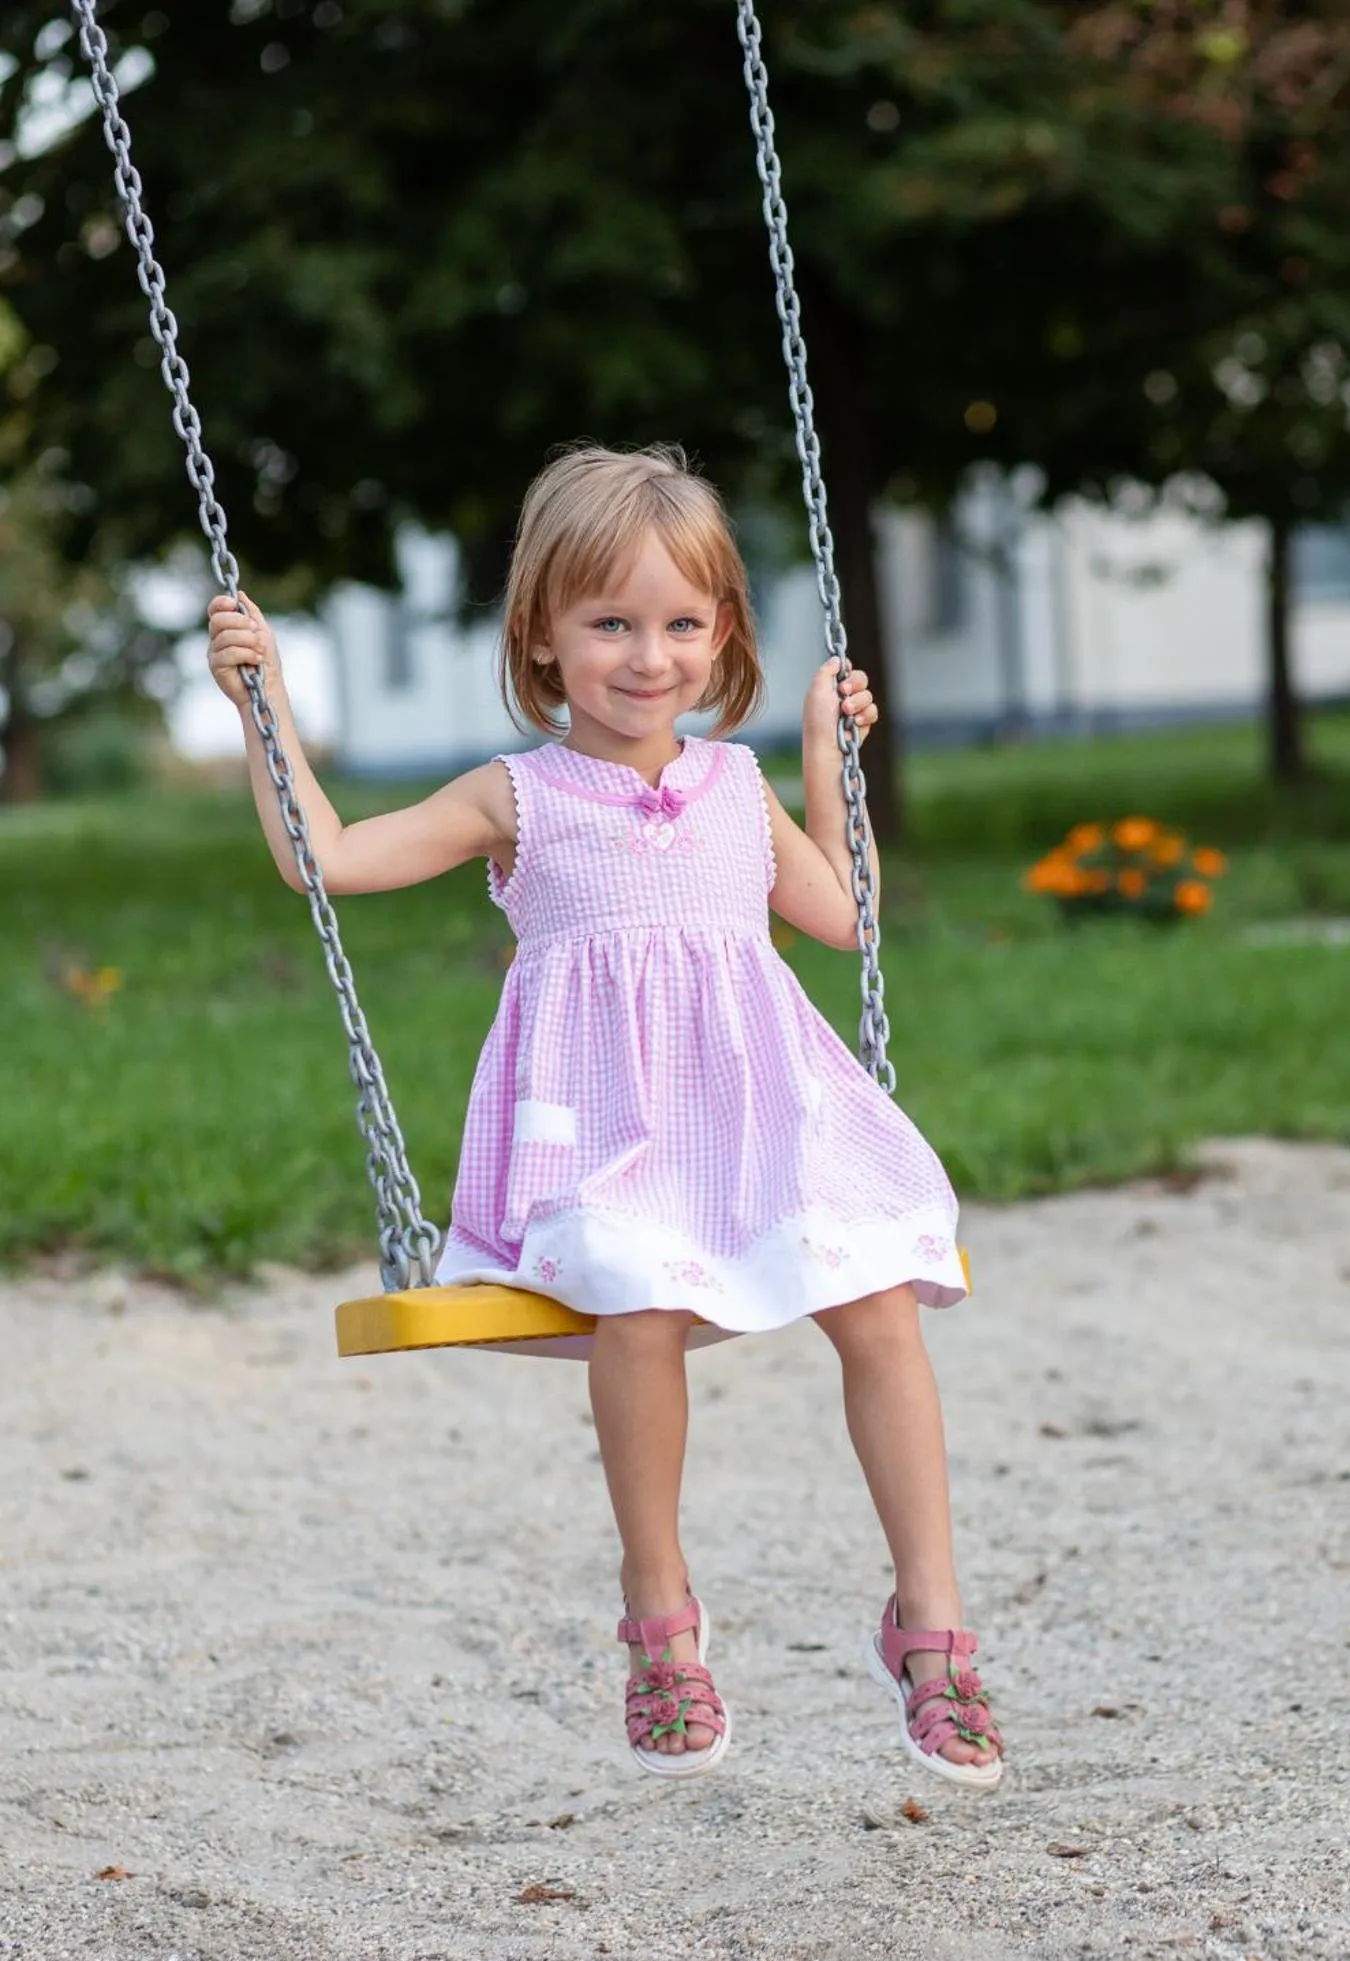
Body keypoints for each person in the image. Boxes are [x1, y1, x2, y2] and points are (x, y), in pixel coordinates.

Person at [207, 443, 1004, 1790]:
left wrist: (826, 758)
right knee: (635, 1306)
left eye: (683, 625)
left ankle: (929, 1626)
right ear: (542, 635)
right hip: (612, 1145)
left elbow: (843, 918)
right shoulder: (516, 798)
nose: (651, 658)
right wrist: (263, 700)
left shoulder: (735, 789)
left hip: (763, 1127)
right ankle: (662, 1624)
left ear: (724, 635)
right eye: (612, 624)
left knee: (877, 1297)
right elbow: (326, 861)